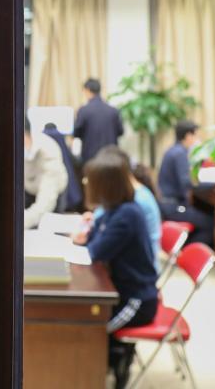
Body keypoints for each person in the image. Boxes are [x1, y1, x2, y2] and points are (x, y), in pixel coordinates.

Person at [72, 150, 158, 389]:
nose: (86, 184)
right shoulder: (114, 209)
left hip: (136, 301)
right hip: (120, 292)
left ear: (105, 185)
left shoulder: (126, 215)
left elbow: (95, 252)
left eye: (90, 180)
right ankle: (115, 359)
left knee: (90, 329)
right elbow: (92, 242)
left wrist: (87, 241)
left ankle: (118, 363)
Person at [85, 146, 161, 271]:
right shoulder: (118, 204)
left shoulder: (130, 210)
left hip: (132, 275)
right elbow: (96, 234)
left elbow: (97, 250)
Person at [157, 120, 215, 246]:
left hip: (168, 204)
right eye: (196, 135)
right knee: (210, 223)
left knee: (205, 215)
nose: (197, 139)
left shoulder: (172, 150)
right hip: (174, 207)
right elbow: (187, 183)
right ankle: (186, 252)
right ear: (188, 136)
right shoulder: (180, 153)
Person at [23, 119, 68, 229]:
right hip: (29, 190)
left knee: (50, 228)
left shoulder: (48, 150)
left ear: (26, 134)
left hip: (51, 195)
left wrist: (21, 222)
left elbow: (46, 200)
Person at [73, 78, 124, 168]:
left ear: (87, 90)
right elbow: (120, 132)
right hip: (111, 157)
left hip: (91, 158)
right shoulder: (113, 110)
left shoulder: (84, 110)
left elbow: (76, 133)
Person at [41, 122, 82, 212]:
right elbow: (72, 158)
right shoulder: (60, 136)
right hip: (62, 174)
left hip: (45, 174)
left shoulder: (42, 138)